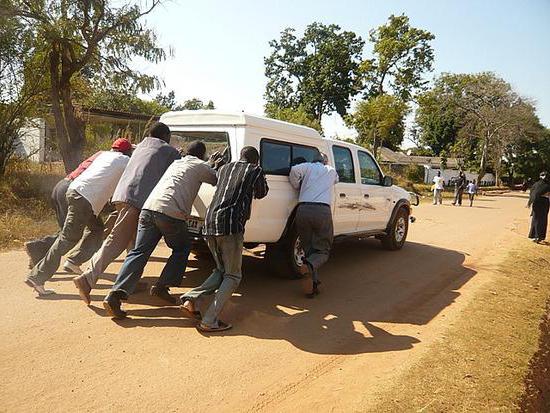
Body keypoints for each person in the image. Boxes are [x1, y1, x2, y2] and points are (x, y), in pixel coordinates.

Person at [102, 141, 219, 319]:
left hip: (148, 209)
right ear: (202, 155)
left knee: (139, 251)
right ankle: (162, 286)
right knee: (182, 248)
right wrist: (214, 165)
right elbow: (217, 179)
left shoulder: (177, 162)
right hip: (170, 213)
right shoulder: (200, 165)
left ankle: (115, 295)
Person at [73, 122, 180, 305]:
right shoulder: (168, 151)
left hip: (122, 196)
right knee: (117, 241)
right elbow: (178, 170)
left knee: (133, 243)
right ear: (165, 137)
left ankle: (130, 282)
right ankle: (87, 278)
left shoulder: (138, 147)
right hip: (137, 200)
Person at [24, 138, 132, 296]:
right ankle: (37, 277)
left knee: (96, 229)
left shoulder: (104, 155)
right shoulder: (126, 162)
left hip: (75, 190)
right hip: (84, 198)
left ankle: (73, 261)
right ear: (127, 151)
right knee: (67, 239)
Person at [180, 146, 268, 332]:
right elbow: (262, 192)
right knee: (233, 276)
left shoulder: (225, 168)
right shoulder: (255, 170)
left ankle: (191, 299)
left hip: (209, 225)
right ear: (256, 161)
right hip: (230, 227)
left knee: (221, 270)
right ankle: (209, 320)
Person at [24, 152, 103, 270]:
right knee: (91, 229)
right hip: (77, 191)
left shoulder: (102, 154)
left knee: (66, 232)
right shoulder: (117, 161)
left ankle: (37, 254)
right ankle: (73, 260)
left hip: (62, 186)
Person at [289, 152, 338, 297]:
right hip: (322, 211)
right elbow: (336, 180)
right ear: (325, 161)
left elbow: (294, 170)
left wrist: (297, 184)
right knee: (322, 251)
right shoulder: (330, 170)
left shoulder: (306, 167)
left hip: (303, 210)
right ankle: (309, 265)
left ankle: (312, 286)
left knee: (309, 249)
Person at [527, 172, 550, 243]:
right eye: (543, 175)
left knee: (538, 219)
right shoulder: (544, 184)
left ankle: (537, 236)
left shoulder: (537, 184)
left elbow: (532, 193)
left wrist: (531, 202)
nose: (544, 177)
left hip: (539, 203)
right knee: (539, 220)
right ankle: (538, 237)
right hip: (541, 203)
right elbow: (533, 193)